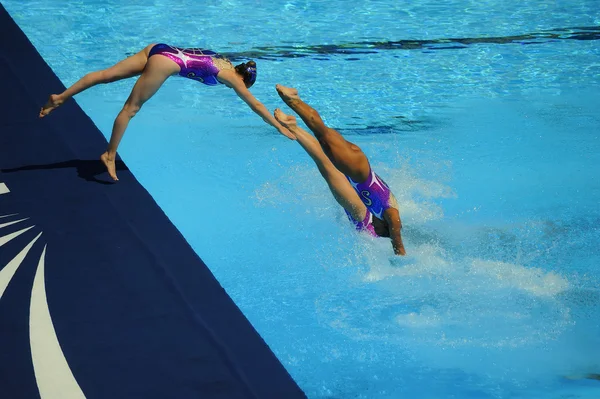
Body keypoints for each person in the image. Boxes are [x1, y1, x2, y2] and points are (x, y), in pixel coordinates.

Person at [39, 43, 295, 181]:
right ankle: (109, 154)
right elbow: (256, 104)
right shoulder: (235, 79)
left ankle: (60, 97)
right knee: (130, 109)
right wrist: (278, 126)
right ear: (245, 80)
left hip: (158, 48)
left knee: (105, 76)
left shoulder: (225, 61)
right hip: (167, 63)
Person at [273, 84, 406, 256]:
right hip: (358, 173)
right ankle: (294, 101)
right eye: (382, 231)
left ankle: (294, 126)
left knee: (324, 155)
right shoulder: (389, 211)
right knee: (324, 138)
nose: (378, 230)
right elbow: (395, 227)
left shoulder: (373, 214)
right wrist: (398, 250)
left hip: (357, 182)